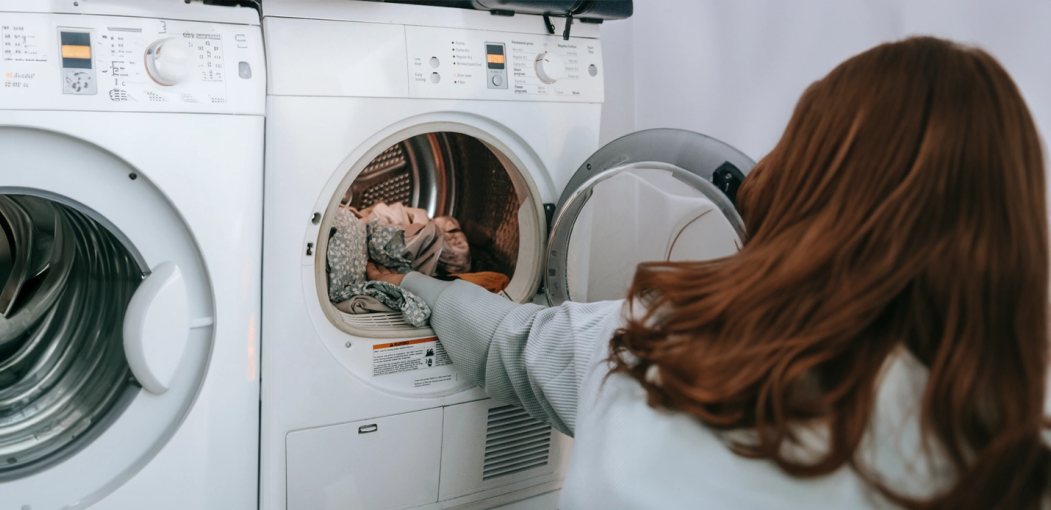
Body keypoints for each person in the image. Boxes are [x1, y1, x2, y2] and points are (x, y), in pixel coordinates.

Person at [369, 36, 1050, 509]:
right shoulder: (1011, 445)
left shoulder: (657, 339)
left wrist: (403, 280)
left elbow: (507, 342)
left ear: (802, 182)